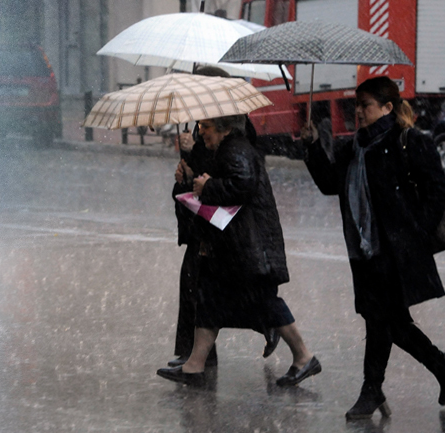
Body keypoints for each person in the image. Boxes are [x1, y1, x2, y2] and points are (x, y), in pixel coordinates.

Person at [301, 76, 445, 420]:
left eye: (365, 105)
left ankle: (372, 389)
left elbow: (437, 192)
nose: (359, 112)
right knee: (387, 322)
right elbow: (328, 184)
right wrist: (311, 146)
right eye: (357, 105)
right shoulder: (353, 147)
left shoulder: (408, 142)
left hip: (396, 251)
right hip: (365, 252)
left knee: (384, 321)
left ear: (387, 107)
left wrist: (417, 236)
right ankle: (428, 372)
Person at [157, 114, 320, 387]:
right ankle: (194, 366)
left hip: (249, 244)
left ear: (224, 128)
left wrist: (207, 186)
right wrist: (191, 179)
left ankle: (304, 355)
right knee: (208, 299)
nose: (201, 132)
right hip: (235, 245)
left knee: (263, 300)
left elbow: (241, 185)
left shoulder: (237, 149)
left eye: (205, 128)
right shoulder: (224, 149)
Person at [166, 66, 280, 369]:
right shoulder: (204, 122)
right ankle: (195, 356)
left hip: (228, 226)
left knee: (223, 289)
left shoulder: (233, 127)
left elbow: (229, 172)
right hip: (209, 223)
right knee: (198, 285)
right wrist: (186, 172)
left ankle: (275, 326)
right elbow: (201, 176)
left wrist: (196, 157)